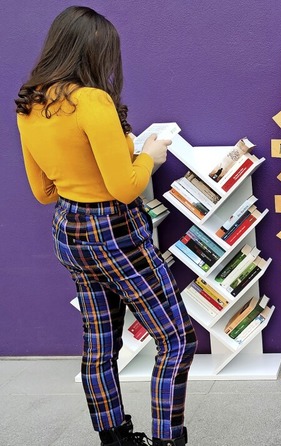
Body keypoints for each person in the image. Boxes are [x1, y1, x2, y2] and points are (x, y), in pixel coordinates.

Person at [16, 6, 197, 446]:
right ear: (93, 52)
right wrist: (148, 155)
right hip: (114, 233)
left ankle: (114, 438)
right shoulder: (91, 101)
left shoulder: (30, 103)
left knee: (99, 346)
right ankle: (167, 439)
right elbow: (125, 188)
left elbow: (43, 192)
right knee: (176, 339)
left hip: (69, 233)